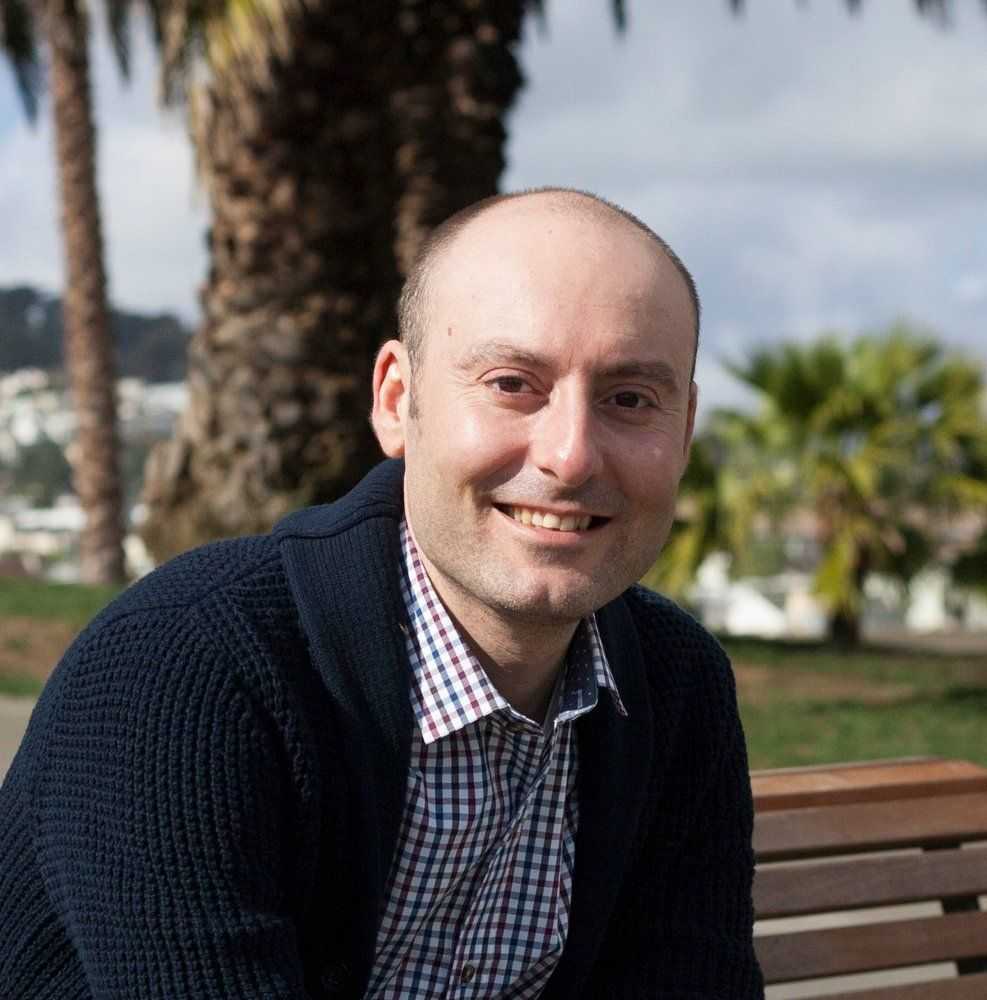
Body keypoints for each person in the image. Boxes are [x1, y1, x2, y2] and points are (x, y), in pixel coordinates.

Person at [0, 188, 763, 999]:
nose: (570, 455)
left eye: (629, 399)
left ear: (683, 430)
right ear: (398, 401)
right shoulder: (187, 671)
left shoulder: (673, 682)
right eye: (512, 383)